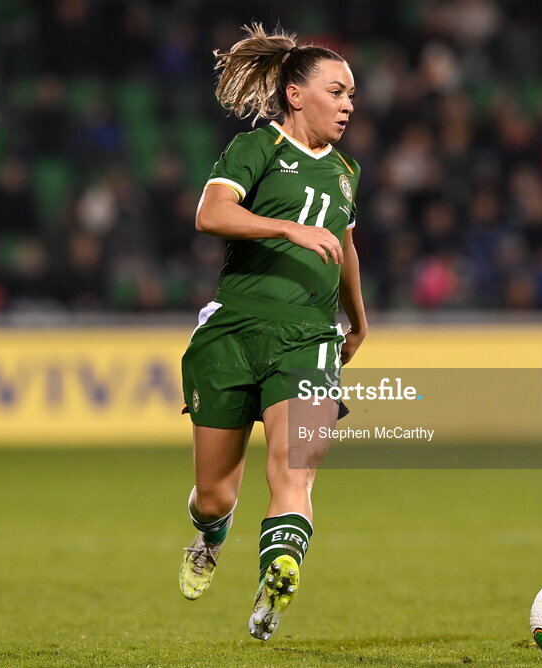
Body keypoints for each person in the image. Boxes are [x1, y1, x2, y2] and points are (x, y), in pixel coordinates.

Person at [177, 24, 367, 641]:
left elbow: (343, 243)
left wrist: (358, 318)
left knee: (293, 474)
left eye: (352, 95)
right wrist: (286, 230)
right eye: (336, 91)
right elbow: (211, 214)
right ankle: (211, 534)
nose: (347, 104)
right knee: (213, 495)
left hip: (308, 337)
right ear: (294, 94)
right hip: (232, 333)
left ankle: (276, 577)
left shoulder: (346, 173)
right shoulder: (255, 149)